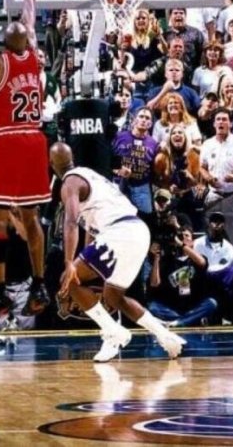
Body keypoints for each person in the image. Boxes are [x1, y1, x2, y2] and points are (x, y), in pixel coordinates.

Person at [50, 141, 185, 362]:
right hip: (138, 231)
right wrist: (84, 258)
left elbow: (71, 222)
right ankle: (166, 336)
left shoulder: (70, 183)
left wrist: (69, 262)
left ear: (51, 163)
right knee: (113, 296)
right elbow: (90, 230)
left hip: (119, 232)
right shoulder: (90, 176)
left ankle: (113, 332)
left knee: (70, 280)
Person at [0, 0, 51, 329]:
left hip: (5, 140)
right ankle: (39, 283)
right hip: (35, 140)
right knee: (32, 218)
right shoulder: (33, 56)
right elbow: (30, 23)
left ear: (3, 45)